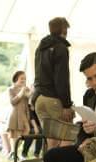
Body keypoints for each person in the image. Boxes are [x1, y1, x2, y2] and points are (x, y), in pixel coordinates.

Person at [33, 17, 75, 149]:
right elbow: (61, 78)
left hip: (38, 98)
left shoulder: (40, 48)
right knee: (67, 137)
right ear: (64, 29)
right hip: (53, 99)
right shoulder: (60, 48)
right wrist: (67, 104)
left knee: (51, 141)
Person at [7, 71, 31, 159]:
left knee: (26, 132)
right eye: (22, 78)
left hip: (24, 115)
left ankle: (13, 152)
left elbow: (29, 99)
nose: (23, 80)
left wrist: (31, 92)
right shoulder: (11, 89)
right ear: (16, 78)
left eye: (25, 78)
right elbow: (13, 102)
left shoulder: (26, 88)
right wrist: (21, 92)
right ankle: (14, 153)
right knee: (14, 135)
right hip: (15, 114)